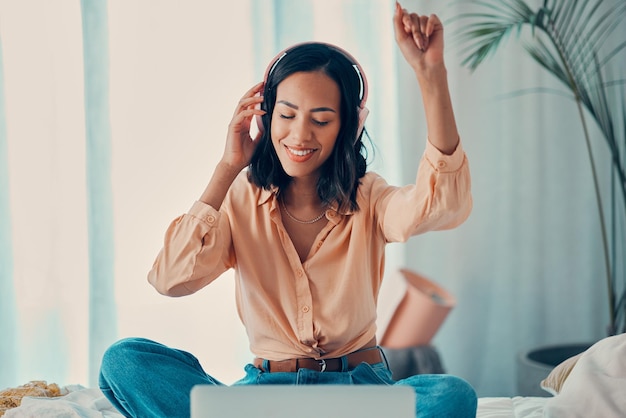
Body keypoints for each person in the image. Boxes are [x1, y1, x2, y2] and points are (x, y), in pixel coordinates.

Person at [99, 2, 476, 417]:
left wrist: (430, 73)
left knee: (450, 395)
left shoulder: (371, 196)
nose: (300, 134)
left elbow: (442, 205)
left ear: (348, 127)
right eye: (287, 114)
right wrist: (227, 168)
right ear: (265, 118)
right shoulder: (240, 196)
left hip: (359, 391)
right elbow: (170, 279)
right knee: (125, 361)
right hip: (264, 393)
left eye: (321, 119)